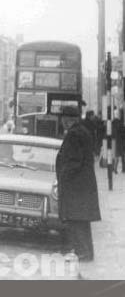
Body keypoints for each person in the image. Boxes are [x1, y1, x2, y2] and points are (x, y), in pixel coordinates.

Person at [55, 111, 101, 261]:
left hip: (76, 184)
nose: (61, 122)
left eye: (63, 119)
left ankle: (83, 252)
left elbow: (74, 160)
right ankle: (86, 252)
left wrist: (63, 176)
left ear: (68, 120)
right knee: (82, 220)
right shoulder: (82, 131)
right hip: (83, 183)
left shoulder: (74, 134)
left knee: (75, 219)